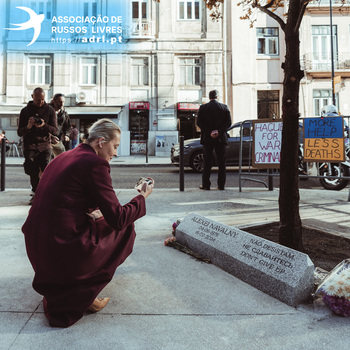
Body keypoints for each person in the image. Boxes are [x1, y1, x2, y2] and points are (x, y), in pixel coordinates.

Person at [22, 118, 154, 328]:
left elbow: (68, 196)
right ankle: (87, 289)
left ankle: (80, 285)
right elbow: (118, 218)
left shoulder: (63, 156)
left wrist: (92, 212)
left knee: (101, 220)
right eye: (115, 146)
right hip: (62, 243)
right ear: (101, 141)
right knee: (126, 226)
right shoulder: (96, 164)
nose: (116, 153)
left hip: (37, 241)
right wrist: (141, 198)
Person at [17, 87, 57, 202]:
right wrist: (28, 127)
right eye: (38, 99)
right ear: (32, 97)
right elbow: (20, 132)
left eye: (43, 99)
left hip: (45, 145)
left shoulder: (50, 110)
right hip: (30, 145)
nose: (41, 102)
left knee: (47, 171)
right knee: (32, 171)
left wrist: (43, 125)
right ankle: (35, 193)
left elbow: (55, 130)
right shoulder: (25, 111)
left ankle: (44, 193)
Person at [197, 90, 232, 190]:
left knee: (207, 162)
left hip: (208, 138)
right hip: (221, 138)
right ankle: (221, 185)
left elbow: (199, 123)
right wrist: (219, 132)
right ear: (218, 96)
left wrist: (210, 132)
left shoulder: (203, 108)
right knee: (222, 163)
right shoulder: (224, 107)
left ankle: (206, 185)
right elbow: (228, 123)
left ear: (209, 97)